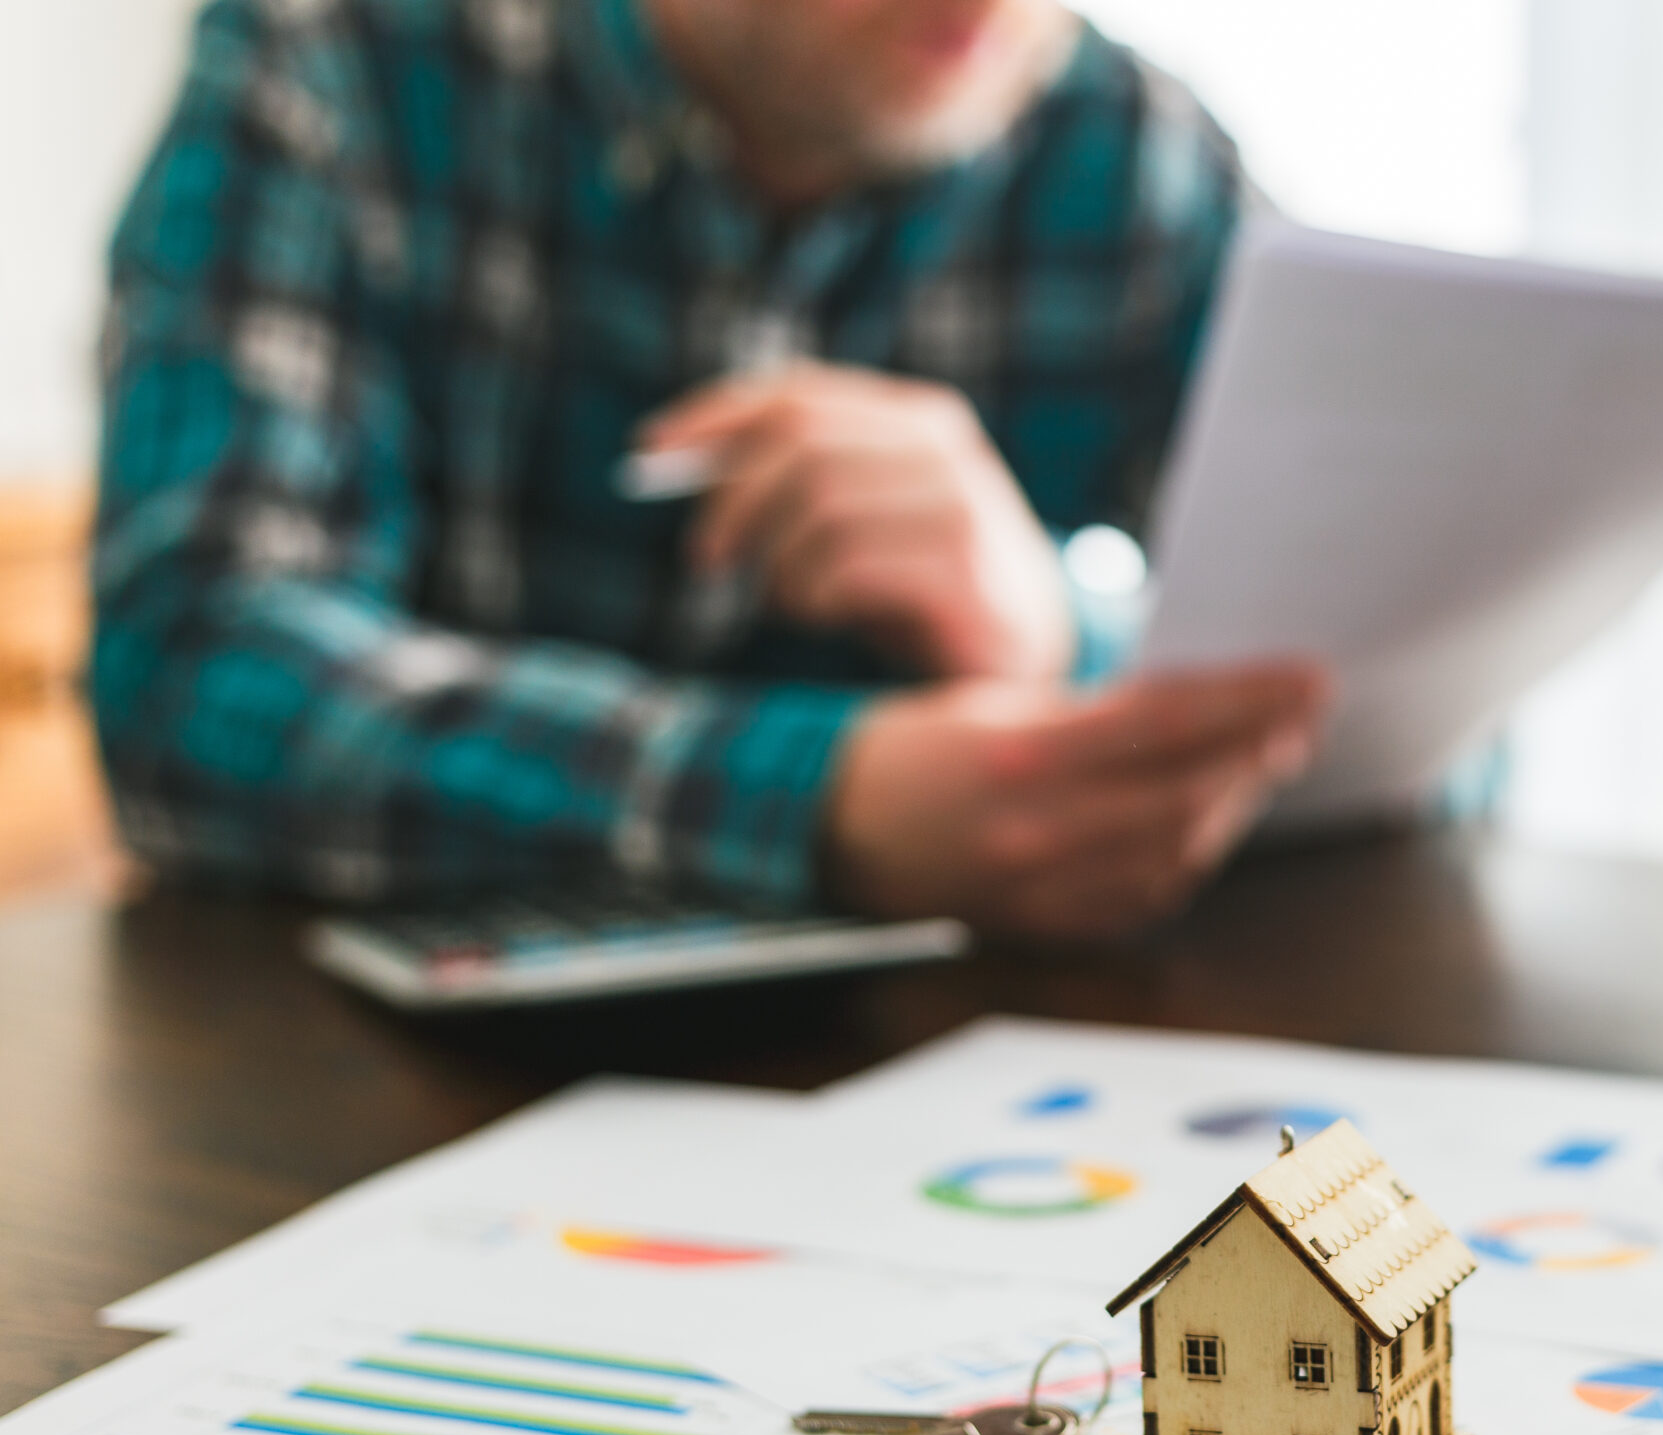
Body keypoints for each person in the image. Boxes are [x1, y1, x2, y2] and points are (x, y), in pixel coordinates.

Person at [90, 0, 1328, 941]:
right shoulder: (338, 61)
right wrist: (826, 798)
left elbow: (1416, 701)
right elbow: (187, 676)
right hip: (349, 1102)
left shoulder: (1136, 156)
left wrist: (1055, 640)